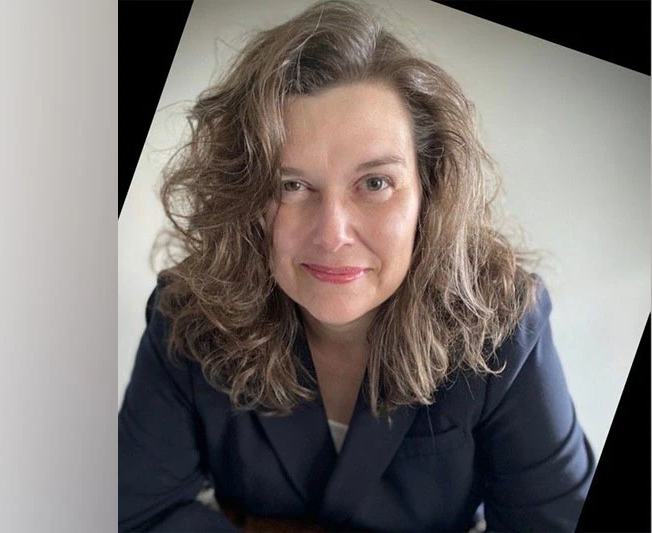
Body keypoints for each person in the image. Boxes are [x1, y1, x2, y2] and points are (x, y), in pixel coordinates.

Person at [118, 1, 595, 531]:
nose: (332, 233)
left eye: (375, 183)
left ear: (429, 193)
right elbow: (135, 513)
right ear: (245, 197)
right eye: (291, 185)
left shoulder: (504, 325)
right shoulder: (188, 314)